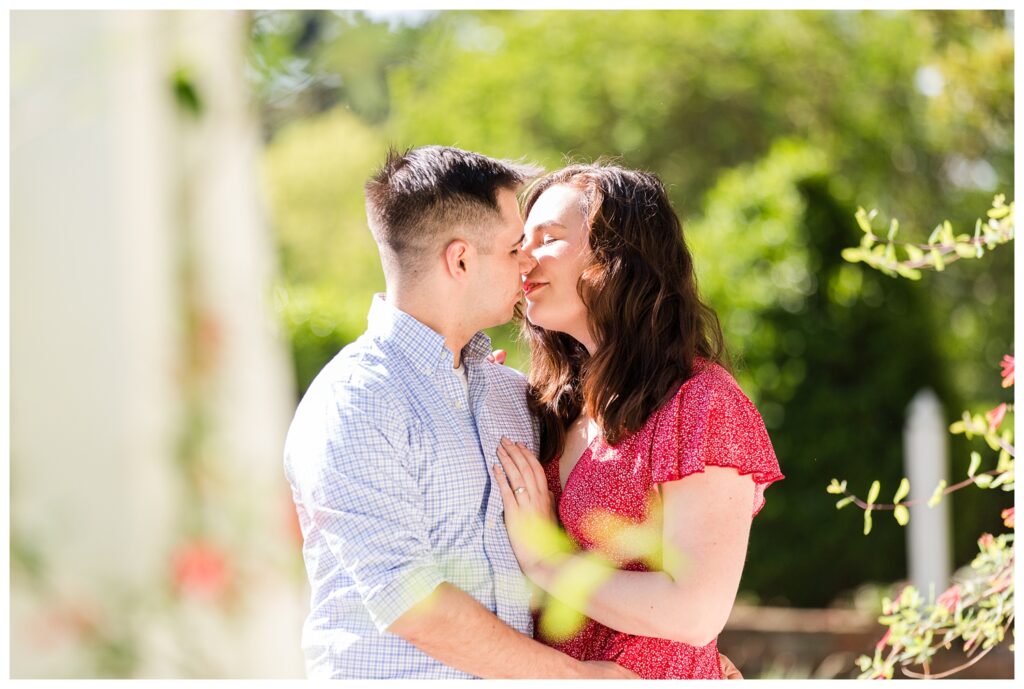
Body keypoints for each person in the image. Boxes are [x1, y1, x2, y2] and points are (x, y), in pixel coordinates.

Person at [283, 146, 636, 679]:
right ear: (461, 259)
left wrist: (686, 661)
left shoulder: (509, 395)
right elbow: (410, 600)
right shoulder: (354, 402)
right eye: (515, 247)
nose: (528, 264)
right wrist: (581, 680)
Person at [491, 162, 784, 679]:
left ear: (616, 258)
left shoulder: (702, 405)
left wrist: (547, 563)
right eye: (521, 242)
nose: (524, 260)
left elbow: (696, 610)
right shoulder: (552, 404)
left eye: (549, 239)